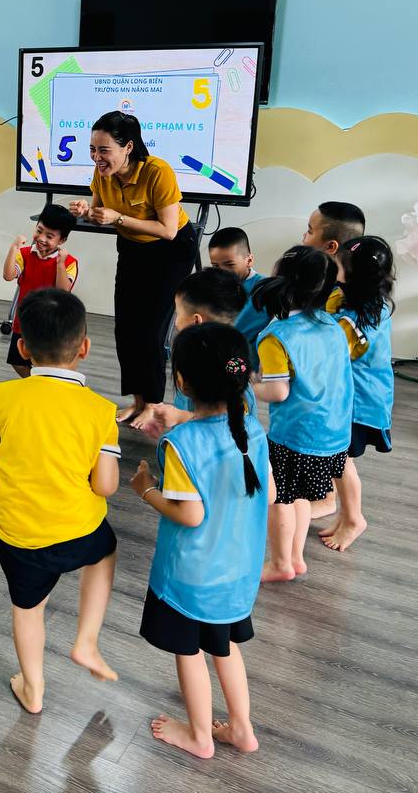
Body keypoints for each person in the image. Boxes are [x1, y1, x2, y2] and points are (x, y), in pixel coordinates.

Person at [0, 289, 121, 714]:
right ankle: (86, 641)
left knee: (28, 608)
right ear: (85, 347)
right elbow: (105, 487)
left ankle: (33, 688)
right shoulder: (100, 410)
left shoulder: (6, 395)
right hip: (78, 529)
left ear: (23, 348)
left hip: (17, 532)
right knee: (105, 553)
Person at [130, 323, 270, 759]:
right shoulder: (252, 430)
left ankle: (199, 736)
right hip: (238, 572)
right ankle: (242, 729)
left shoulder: (181, 443)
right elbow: (265, 490)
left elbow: (190, 514)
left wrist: (146, 490)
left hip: (191, 579)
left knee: (189, 652)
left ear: (182, 382)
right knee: (224, 648)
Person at [68, 112, 197, 423]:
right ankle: (138, 401)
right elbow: (99, 210)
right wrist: (87, 211)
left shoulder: (157, 172)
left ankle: (153, 403)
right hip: (132, 247)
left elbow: (168, 230)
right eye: (92, 150)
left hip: (171, 251)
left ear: (128, 147)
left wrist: (119, 218)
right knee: (125, 328)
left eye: (104, 150)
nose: (97, 157)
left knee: (151, 330)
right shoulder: (102, 172)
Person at [251, 247, 353, 582]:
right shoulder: (332, 325)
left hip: (295, 435)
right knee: (303, 496)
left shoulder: (276, 336)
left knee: (280, 499)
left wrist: (250, 384)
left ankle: (281, 563)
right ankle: (296, 558)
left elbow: (278, 392)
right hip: (333, 433)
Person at [321, 235, 396, 552]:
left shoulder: (356, 320)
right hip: (362, 396)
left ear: (353, 275)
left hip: (357, 402)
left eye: (339, 265)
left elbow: (334, 352)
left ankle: (354, 518)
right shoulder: (372, 304)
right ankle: (345, 515)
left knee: (340, 460)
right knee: (340, 460)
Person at [301, 201, 366, 517]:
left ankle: (348, 514)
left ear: (330, 246)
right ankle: (329, 501)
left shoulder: (348, 297)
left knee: (341, 457)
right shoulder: (336, 284)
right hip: (339, 392)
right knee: (336, 454)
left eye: (309, 231)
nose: (303, 237)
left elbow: (336, 348)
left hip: (349, 397)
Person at [132, 267, 249, 436]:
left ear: (196, 321)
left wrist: (181, 416)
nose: (175, 321)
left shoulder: (223, 371)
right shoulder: (236, 361)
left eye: (177, 313)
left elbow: (236, 422)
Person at [1, 204, 78, 377]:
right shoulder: (24, 254)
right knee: (18, 362)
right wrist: (13, 248)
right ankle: (37, 384)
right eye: (39, 230)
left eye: (49, 236)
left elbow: (63, 292)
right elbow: (8, 275)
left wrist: (60, 264)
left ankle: (44, 386)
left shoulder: (69, 262)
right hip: (24, 322)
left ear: (62, 240)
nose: (41, 238)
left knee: (46, 365)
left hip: (51, 325)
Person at [207, 227, 270, 368]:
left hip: (249, 366)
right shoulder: (213, 286)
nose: (222, 272)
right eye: (215, 266)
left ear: (249, 260)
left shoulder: (265, 290)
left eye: (229, 265)